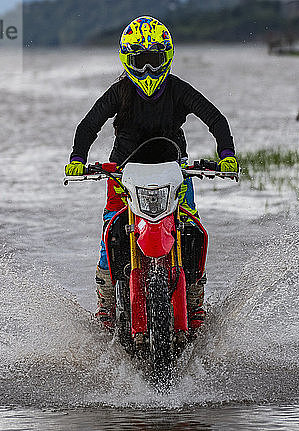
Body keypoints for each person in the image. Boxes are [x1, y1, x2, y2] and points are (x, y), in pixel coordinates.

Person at [64, 16, 238, 331]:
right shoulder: (120, 92)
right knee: (111, 231)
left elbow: (215, 118)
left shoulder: (178, 89)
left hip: (176, 170)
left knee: (192, 228)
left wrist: (226, 155)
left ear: (166, 58)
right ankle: (106, 300)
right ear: (127, 60)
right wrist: (78, 158)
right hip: (122, 173)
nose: (147, 69)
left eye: (153, 59)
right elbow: (89, 125)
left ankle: (195, 298)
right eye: (139, 61)